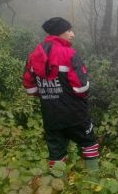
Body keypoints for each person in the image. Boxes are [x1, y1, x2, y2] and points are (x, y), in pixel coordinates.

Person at [23, 17, 99, 175]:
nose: (73, 34)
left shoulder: (34, 55)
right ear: (60, 32)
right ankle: (94, 182)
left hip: (50, 115)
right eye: (69, 30)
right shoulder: (69, 53)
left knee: (56, 153)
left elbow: (30, 89)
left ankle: (58, 186)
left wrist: (49, 93)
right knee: (89, 143)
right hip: (75, 114)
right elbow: (81, 88)